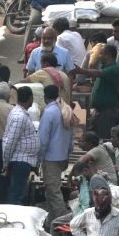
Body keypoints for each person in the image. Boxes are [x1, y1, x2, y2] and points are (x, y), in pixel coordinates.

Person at [36, 84, 73, 221]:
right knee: (52, 190)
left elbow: (43, 139)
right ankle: (51, 221)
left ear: (45, 97)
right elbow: (71, 136)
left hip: (51, 158)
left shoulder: (49, 112)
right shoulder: (65, 110)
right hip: (62, 156)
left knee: (53, 191)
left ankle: (63, 221)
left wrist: (39, 158)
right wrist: (68, 153)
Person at [1, 86, 39, 205]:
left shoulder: (21, 113)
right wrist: (6, 163)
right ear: (30, 98)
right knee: (17, 194)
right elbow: (10, 141)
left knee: (18, 193)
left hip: (23, 160)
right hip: (20, 161)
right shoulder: (19, 116)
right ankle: (14, 219)